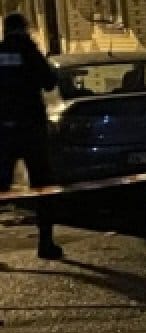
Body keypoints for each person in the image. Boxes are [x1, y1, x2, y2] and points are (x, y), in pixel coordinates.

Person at [0, 12, 61, 259]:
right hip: (30, 129)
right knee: (42, 185)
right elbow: (49, 82)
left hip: (2, 130)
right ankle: (46, 243)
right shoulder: (29, 51)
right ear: (25, 29)